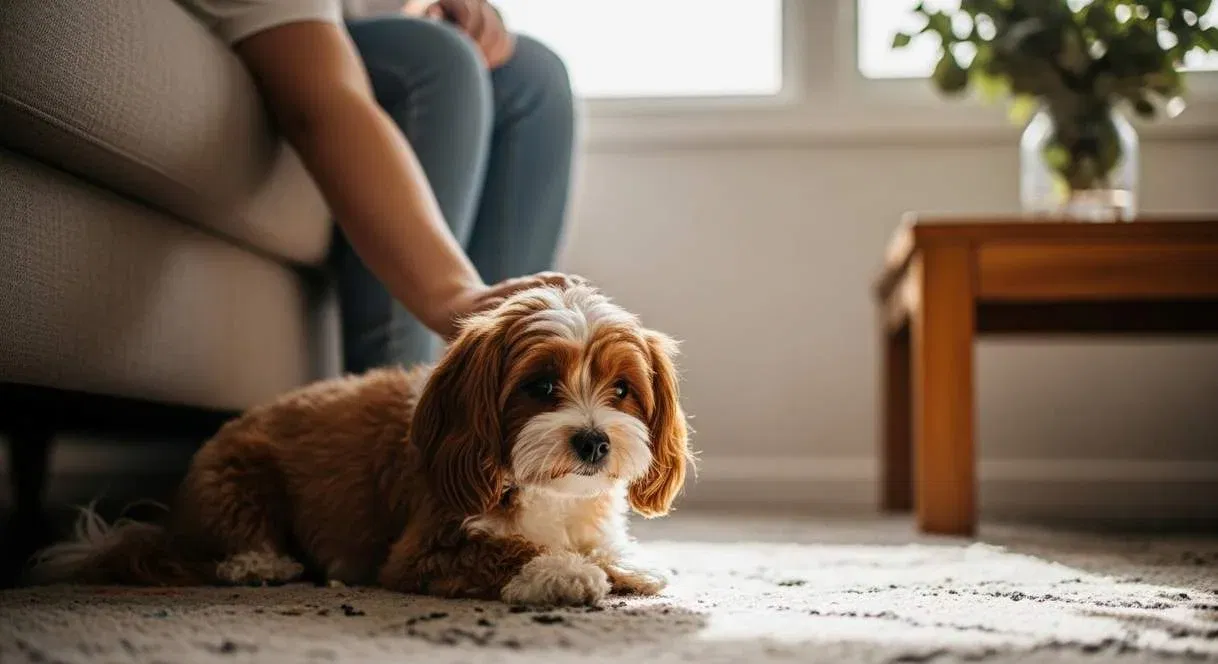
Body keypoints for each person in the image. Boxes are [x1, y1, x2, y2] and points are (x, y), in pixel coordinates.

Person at [176, 0, 581, 372]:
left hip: (347, 24)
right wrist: (456, 296)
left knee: (534, 76)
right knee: (436, 58)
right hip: (287, 36)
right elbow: (321, 103)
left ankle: (510, 386)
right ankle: (397, 412)